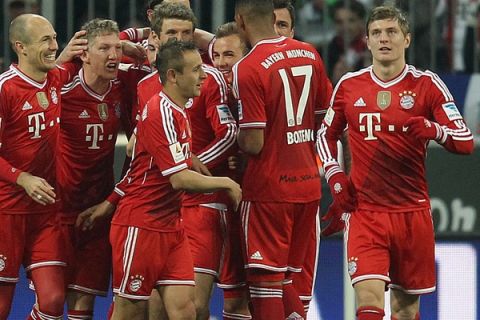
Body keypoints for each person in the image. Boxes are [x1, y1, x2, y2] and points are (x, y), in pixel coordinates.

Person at [316, 6, 474, 320]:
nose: (384, 39)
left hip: (411, 212)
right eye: (376, 33)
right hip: (366, 213)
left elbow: (465, 140)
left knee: (405, 310)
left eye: (391, 32)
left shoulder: (427, 85)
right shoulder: (349, 86)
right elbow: (324, 136)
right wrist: (334, 175)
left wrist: (434, 130)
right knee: (369, 301)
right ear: (367, 41)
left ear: (407, 39)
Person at [233, 0, 332, 319]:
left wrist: (231, 135)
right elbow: (322, 117)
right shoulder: (309, 53)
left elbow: (254, 141)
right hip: (307, 186)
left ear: (240, 22)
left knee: (266, 283)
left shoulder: (246, 67)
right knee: (288, 280)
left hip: (269, 190)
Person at [57, 18, 149, 319]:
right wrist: (59, 61)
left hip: (99, 206)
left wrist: (135, 39)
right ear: (83, 53)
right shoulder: (63, 87)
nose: (113, 55)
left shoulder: (122, 88)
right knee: (52, 299)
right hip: (58, 209)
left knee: (84, 300)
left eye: (117, 48)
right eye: (104, 48)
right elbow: (32, 90)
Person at [0, 13, 80, 320]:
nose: (54, 45)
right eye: (45, 40)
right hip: (7, 212)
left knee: (53, 300)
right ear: (21, 46)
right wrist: (22, 179)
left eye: (55, 38)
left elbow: (100, 44)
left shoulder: (55, 78)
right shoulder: (6, 89)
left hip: (45, 213)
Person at [211, 21, 251, 320]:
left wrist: (246, 156)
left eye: (230, 55)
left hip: (252, 206)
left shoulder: (256, 91)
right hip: (209, 206)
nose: (222, 63)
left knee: (247, 298)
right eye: (216, 56)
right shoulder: (200, 89)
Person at [327, 0, 369, 84]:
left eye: (351, 20)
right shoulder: (333, 46)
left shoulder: (371, 46)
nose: (345, 27)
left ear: (362, 22)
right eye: (339, 22)